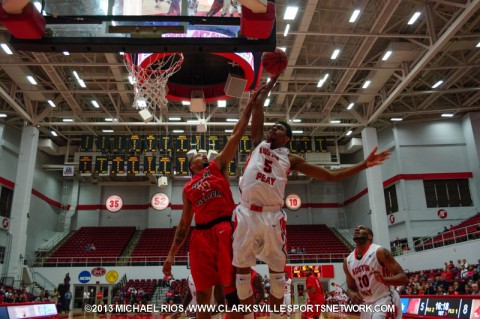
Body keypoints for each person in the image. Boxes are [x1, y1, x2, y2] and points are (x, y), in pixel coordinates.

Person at [232, 80, 390, 319]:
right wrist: (270, 84)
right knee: (241, 272)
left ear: (287, 138)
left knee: (277, 274)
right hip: (246, 211)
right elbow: (258, 111)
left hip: (272, 215)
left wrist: (364, 164)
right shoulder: (258, 143)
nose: (272, 130)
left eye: (278, 129)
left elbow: (331, 175)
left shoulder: (292, 159)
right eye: (271, 127)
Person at [162, 78, 278, 319]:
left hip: (224, 228)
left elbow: (236, 135)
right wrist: (171, 255)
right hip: (200, 236)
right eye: (199, 156)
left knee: (229, 291)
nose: (204, 156)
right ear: (191, 166)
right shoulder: (187, 189)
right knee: (203, 295)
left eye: (205, 154)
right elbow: (184, 225)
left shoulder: (218, 167)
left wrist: (249, 105)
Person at [343, 225, 409, 319]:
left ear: (370, 236)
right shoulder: (347, 261)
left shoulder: (380, 252)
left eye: (361, 228)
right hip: (366, 304)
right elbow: (350, 288)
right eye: (356, 228)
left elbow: (404, 279)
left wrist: (384, 280)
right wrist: (351, 294)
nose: (357, 229)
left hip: (385, 298)